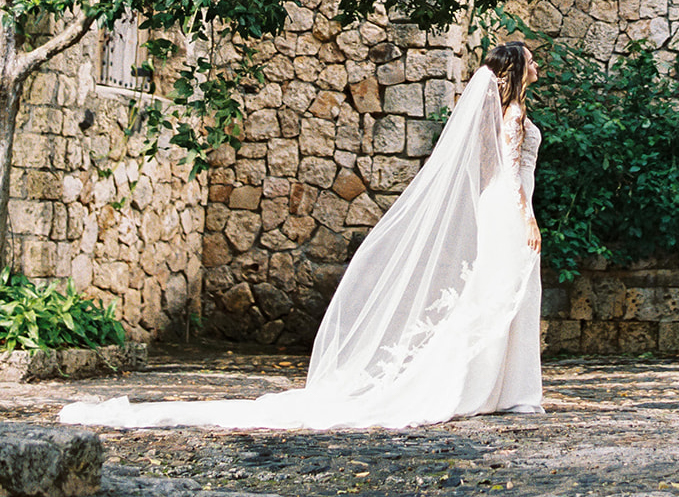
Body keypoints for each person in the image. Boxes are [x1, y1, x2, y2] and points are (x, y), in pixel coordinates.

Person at [59, 42, 543, 430]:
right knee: (503, 297)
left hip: (494, 210)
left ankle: (494, 387)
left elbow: (487, 174)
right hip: (510, 213)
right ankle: (503, 389)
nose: (538, 64)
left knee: (493, 298)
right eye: (532, 59)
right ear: (517, 69)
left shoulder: (499, 117)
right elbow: (514, 182)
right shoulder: (515, 116)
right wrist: (527, 222)